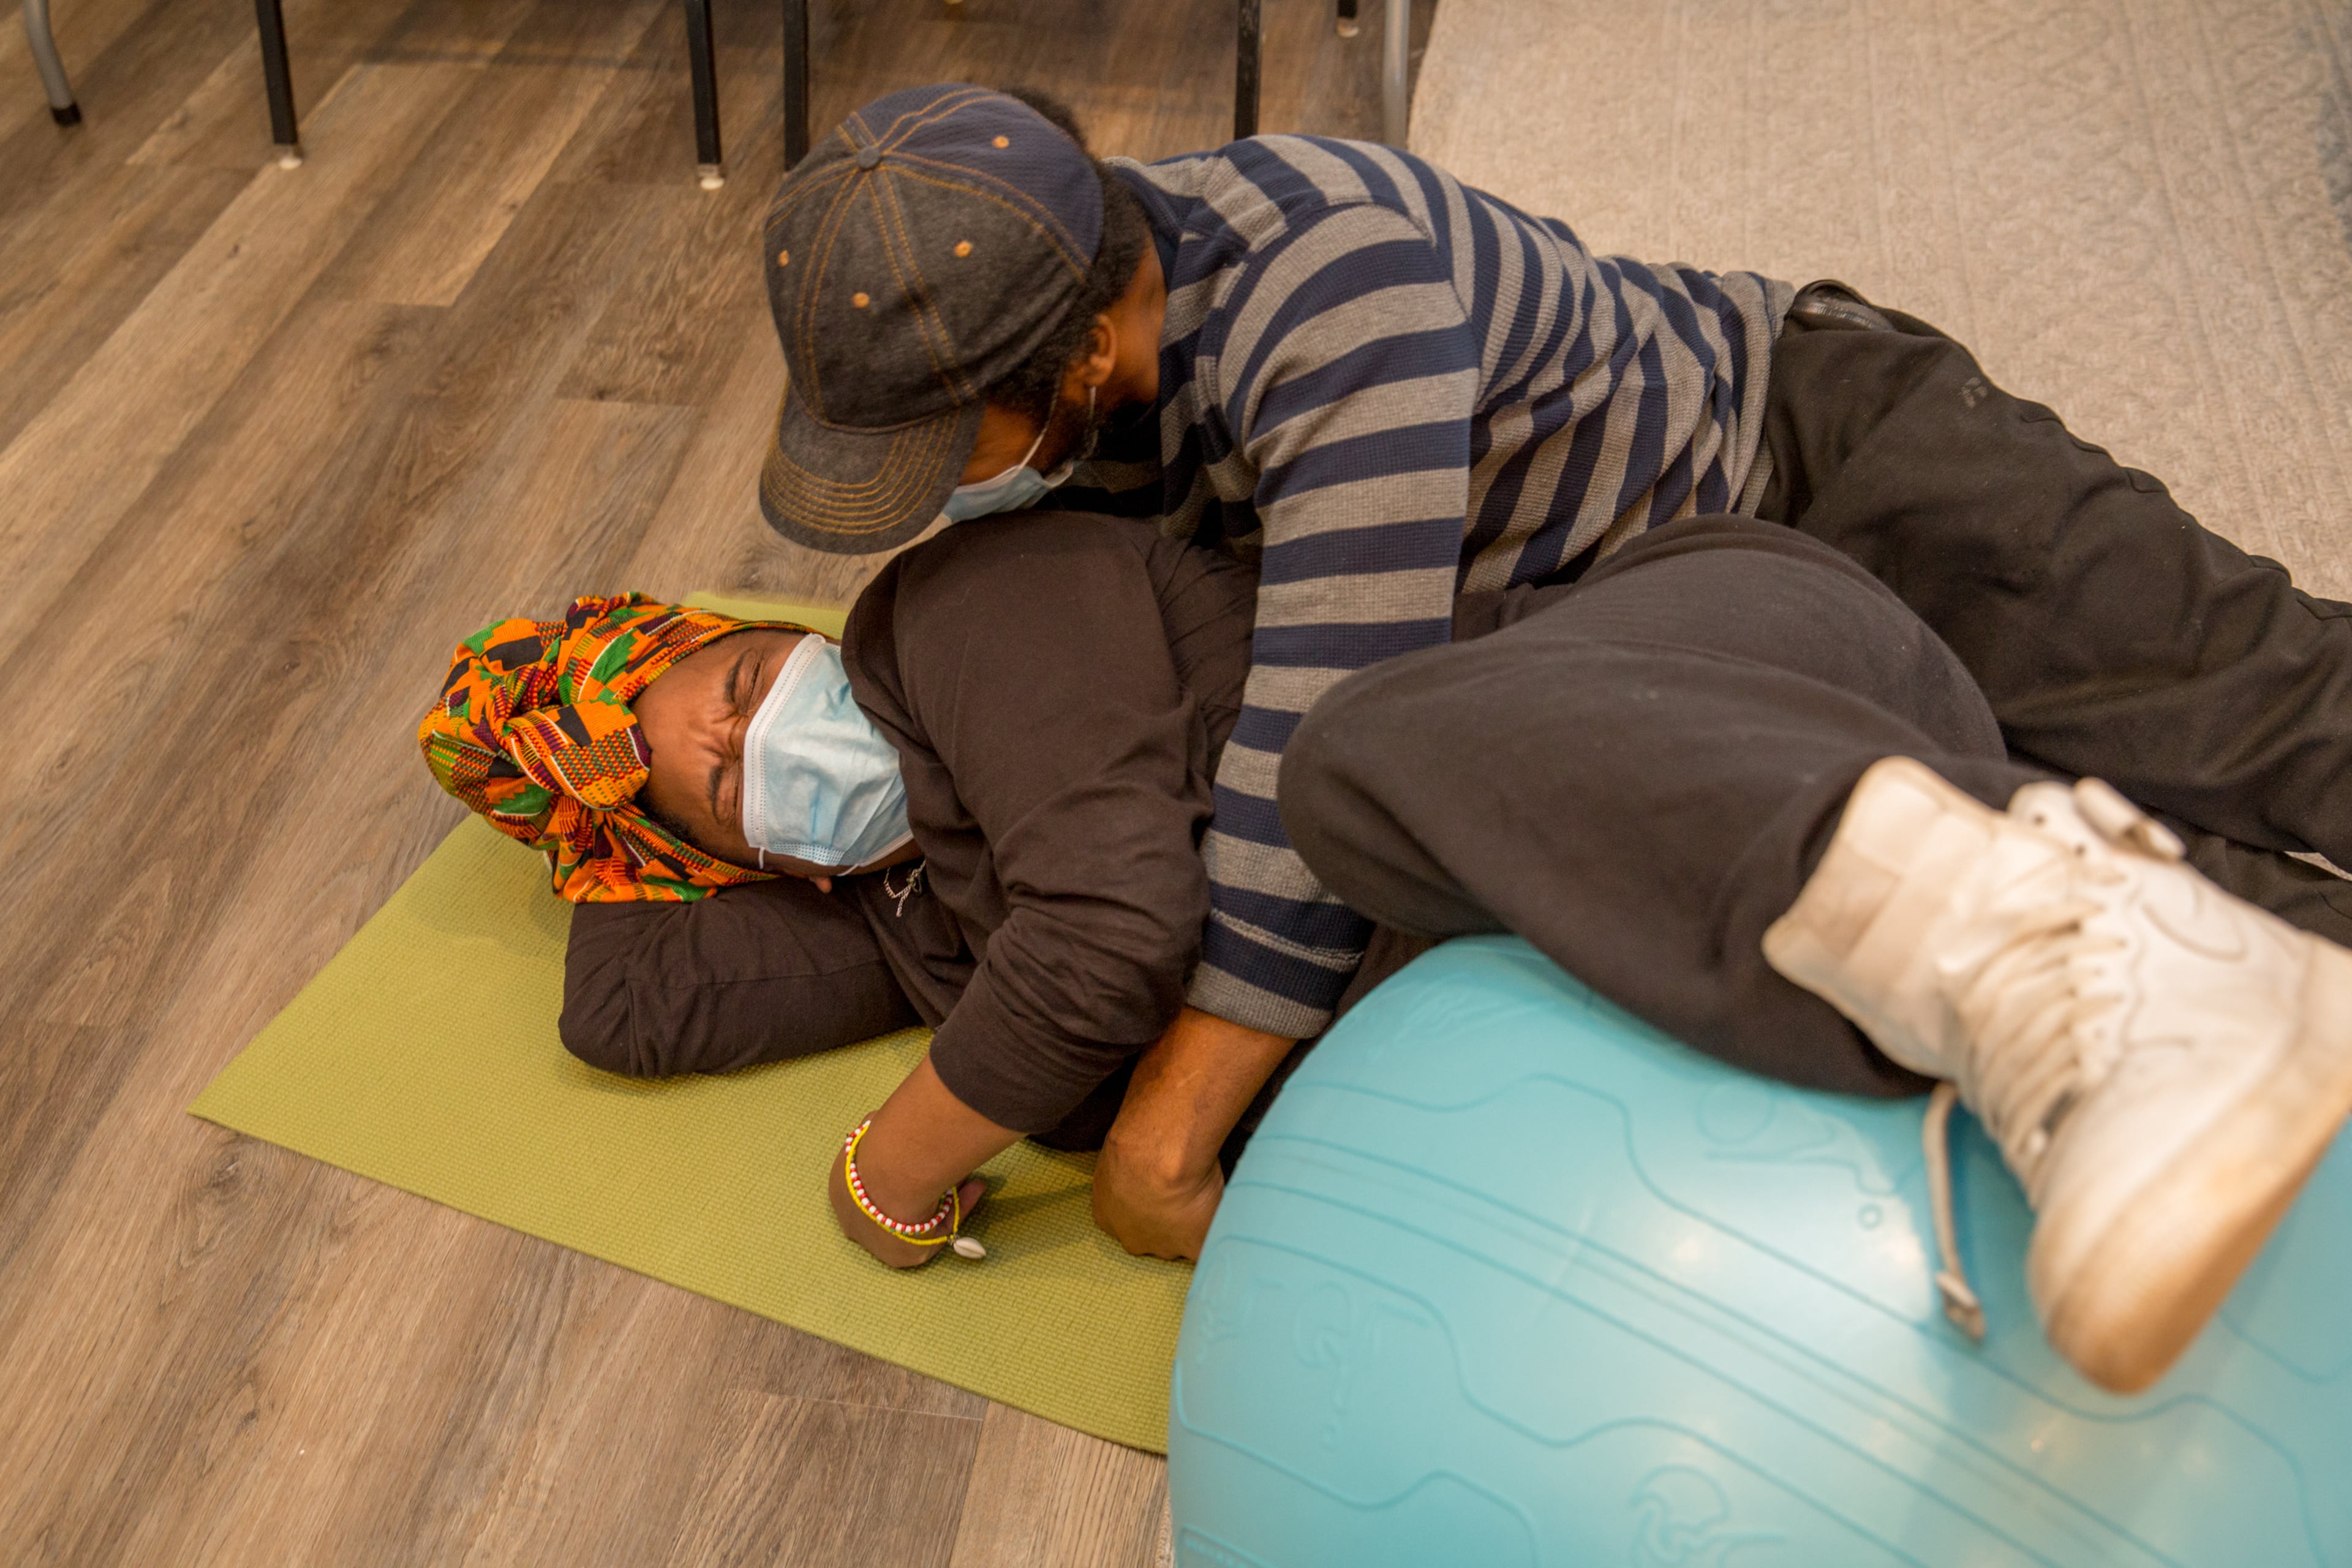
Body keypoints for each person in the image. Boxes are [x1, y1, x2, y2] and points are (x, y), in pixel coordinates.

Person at [747, 83, 2352, 1389]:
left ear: (1082, 351)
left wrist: (1164, 1137)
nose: (943, 498)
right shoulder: (1098, 394)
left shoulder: (1333, 286)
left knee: (2278, 712)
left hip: (1817, 464)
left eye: (949, 446)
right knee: (2236, 921)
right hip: (1658, 665)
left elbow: (1315, 743)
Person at [420, 513, 1376, 1268]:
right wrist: (587, 813)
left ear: (793, 637)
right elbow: (618, 1007)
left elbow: (1110, 937)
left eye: (747, 685)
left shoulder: (962, 602)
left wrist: (882, 1176)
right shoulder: (884, 910)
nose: (768, 743)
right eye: (723, 787)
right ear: (771, 865)